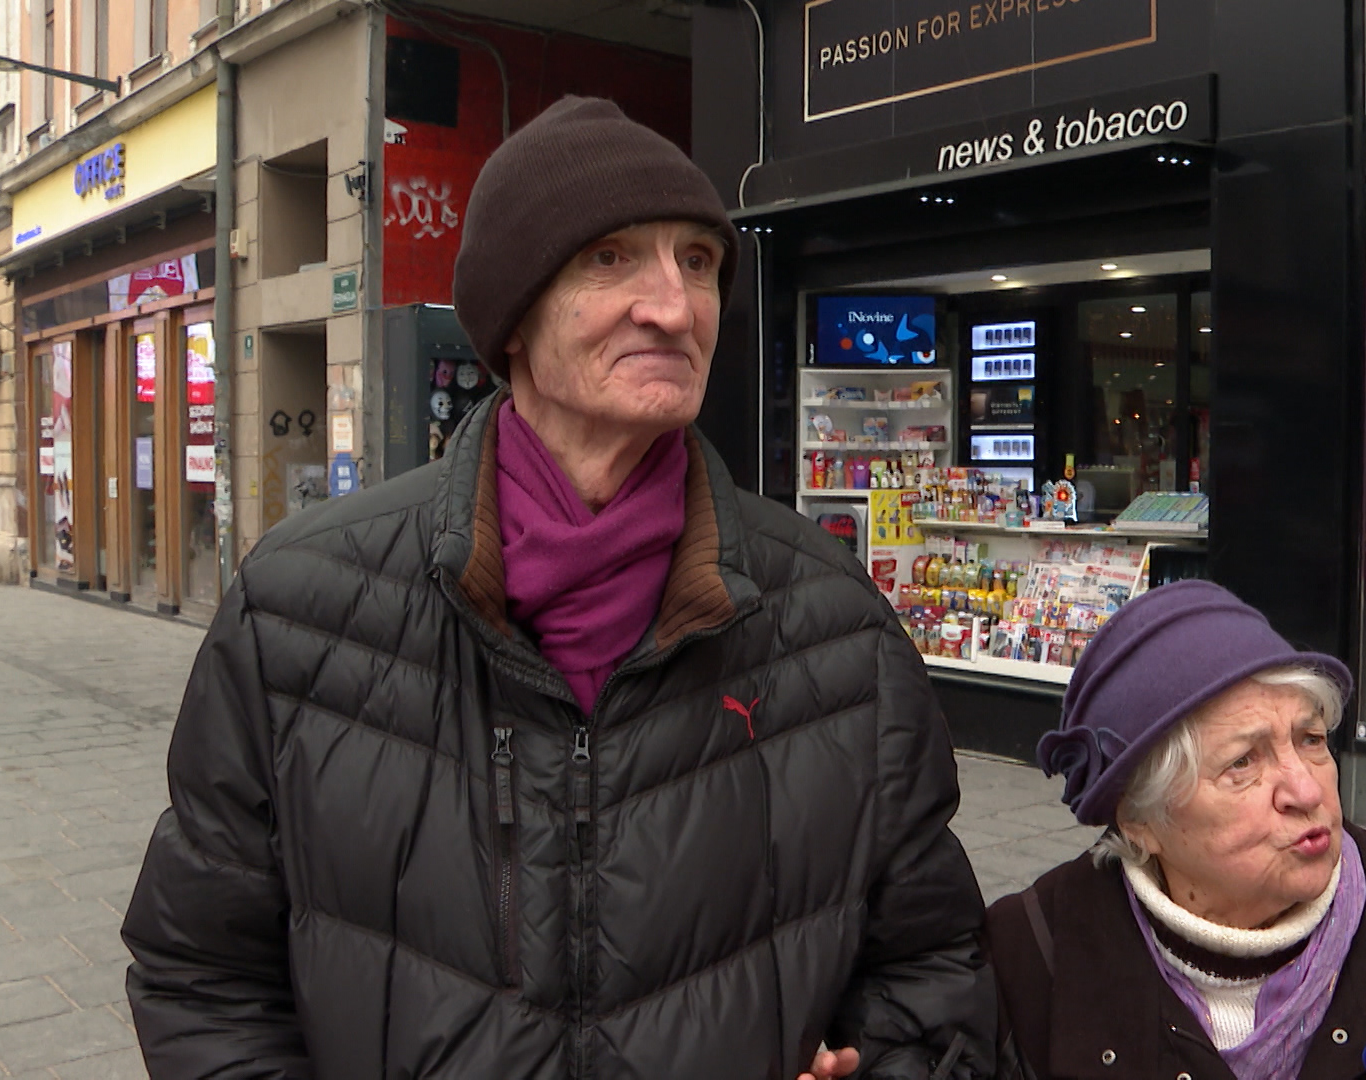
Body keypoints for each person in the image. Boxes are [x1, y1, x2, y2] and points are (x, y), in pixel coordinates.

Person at [121, 97, 992, 1079]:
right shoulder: (297, 611)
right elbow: (201, 975)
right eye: (613, 258)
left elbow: (934, 966)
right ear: (513, 316)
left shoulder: (836, 625)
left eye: (697, 262)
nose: (673, 306)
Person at [986, 581, 1366, 1079]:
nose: (1306, 791)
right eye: (1243, 761)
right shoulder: (1032, 951)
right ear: (1141, 820)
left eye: (1311, 739)